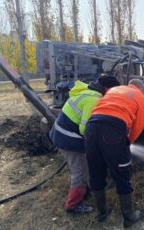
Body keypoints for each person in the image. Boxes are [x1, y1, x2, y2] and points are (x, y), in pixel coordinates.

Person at [49, 76, 120, 214]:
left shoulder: (89, 91)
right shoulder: (94, 100)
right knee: (79, 172)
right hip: (68, 139)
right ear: (107, 88)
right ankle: (73, 205)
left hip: (64, 133)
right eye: (113, 91)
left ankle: (85, 191)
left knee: (86, 166)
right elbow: (85, 129)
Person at [85, 79, 144, 228]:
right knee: (122, 174)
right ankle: (129, 217)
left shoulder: (115, 89)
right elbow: (138, 127)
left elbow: (105, 108)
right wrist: (127, 143)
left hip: (91, 127)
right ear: (142, 89)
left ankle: (102, 213)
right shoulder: (141, 98)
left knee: (95, 171)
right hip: (113, 130)